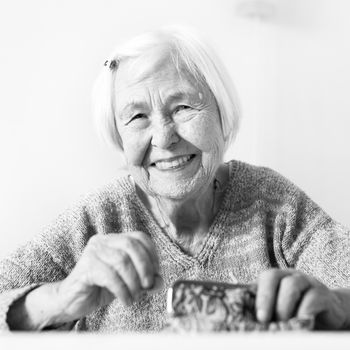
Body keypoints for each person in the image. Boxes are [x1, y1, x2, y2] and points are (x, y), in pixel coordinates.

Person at [1, 26, 350, 332]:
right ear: (119, 139)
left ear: (221, 114)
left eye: (183, 107)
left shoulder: (273, 205)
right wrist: (59, 300)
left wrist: (337, 306)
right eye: (137, 116)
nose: (164, 138)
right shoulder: (98, 219)